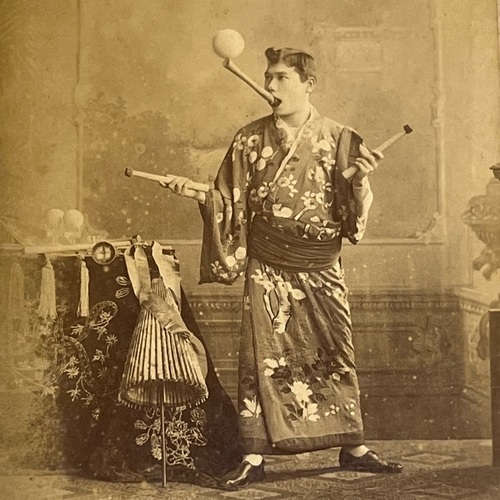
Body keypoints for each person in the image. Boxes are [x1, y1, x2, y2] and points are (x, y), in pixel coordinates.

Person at [162, 46, 403, 488]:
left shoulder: (341, 139)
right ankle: (254, 454)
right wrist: (197, 194)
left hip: (320, 262)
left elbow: (353, 219)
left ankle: (353, 447)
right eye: (267, 78)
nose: (270, 87)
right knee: (261, 357)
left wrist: (363, 180)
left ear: (308, 83)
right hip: (268, 263)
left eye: (281, 78)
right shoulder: (249, 139)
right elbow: (226, 199)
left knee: (335, 350)